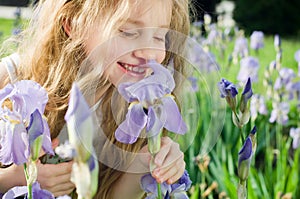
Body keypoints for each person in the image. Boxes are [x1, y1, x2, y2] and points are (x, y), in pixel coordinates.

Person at [0, 0, 191, 198]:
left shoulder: (137, 108)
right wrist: (12, 180)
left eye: (159, 36)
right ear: (73, 24)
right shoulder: (12, 79)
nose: (149, 53)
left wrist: (146, 165)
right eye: (128, 32)